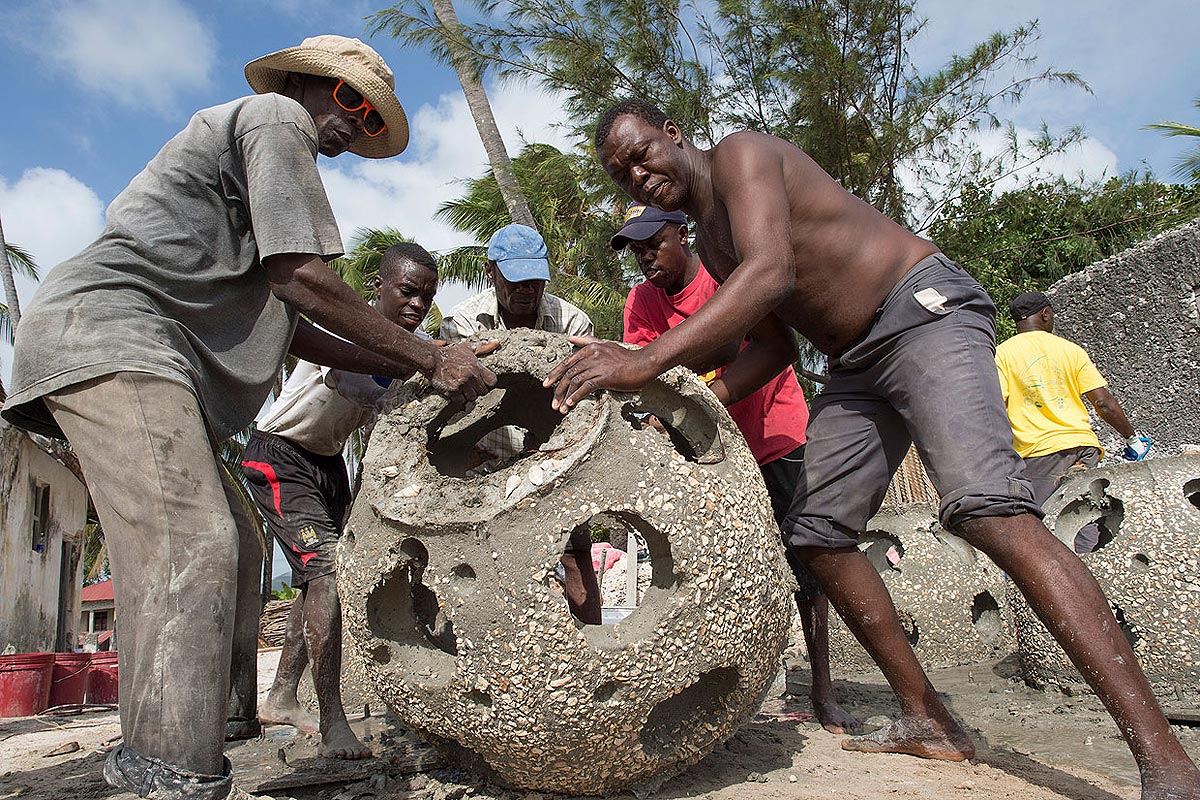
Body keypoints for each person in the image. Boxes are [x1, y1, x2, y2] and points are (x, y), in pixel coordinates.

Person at [543, 98, 1200, 798]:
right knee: (818, 536)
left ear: (673, 134)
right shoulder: (710, 241)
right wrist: (680, 404)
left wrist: (642, 362)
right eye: (621, 174)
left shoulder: (741, 156)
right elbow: (771, 349)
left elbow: (772, 275)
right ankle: (931, 721)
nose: (636, 175)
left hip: (922, 312)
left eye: (641, 153)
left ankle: (1167, 764)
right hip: (855, 362)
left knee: (987, 512)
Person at [1, 36, 495, 799]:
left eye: (369, 121)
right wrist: (430, 360)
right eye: (350, 101)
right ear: (305, 82)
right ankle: (167, 769)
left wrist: (418, 356)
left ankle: (223, 722)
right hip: (112, 335)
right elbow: (299, 279)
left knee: (232, 539)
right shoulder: (273, 119)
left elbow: (292, 325)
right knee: (190, 538)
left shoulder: (267, 171)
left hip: (154, 354)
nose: (353, 126)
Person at [615, 203, 860, 734]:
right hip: (706, 451)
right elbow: (645, 369)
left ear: (682, 233)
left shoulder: (727, 278)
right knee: (714, 563)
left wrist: (688, 381)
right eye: (635, 249)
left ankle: (821, 687)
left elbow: (767, 352)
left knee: (810, 562)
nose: (644, 257)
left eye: (652, 242)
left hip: (774, 434)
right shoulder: (641, 300)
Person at [240, 243, 438, 759]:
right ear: (379, 286)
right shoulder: (348, 327)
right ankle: (333, 723)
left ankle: (282, 695)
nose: (417, 305)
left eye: (427, 297)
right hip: (280, 454)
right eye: (407, 291)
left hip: (326, 462)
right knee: (325, 574)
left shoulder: (406, 346)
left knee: (322, 581)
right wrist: (424, 367)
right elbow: (351, 373)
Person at [440, 223, 601, 624]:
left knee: (574, 549)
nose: (527, 289)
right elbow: (462, 405)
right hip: (486, 458)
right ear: (491, 271)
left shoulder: (572, 322)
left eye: (535, 279)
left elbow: (583, 397)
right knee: (478, 560)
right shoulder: (462, 324)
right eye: (516, 279)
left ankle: (592, 645)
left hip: (554, 457)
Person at [996, 291, 1152, 552]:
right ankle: (1092, 580)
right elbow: (1103, 402)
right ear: (1046, 314)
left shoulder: (1002, 355)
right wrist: (1132, 439)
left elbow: (995, 407)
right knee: (1083, 519)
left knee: (1042, 531)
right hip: (1083, 448)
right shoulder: (1071, 351)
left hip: (1037, 456)